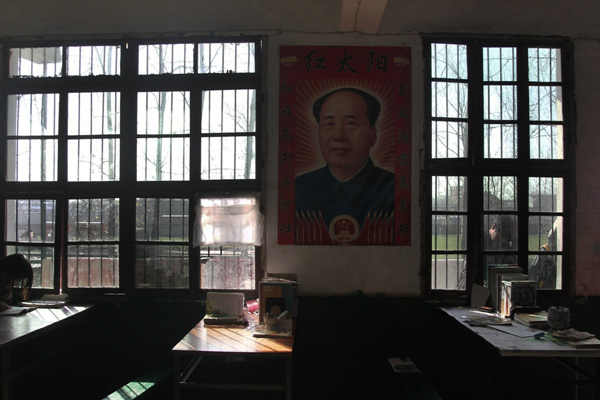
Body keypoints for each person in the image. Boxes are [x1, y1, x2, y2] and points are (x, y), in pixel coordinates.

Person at [294, 88, 395, 243]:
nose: (339, 136)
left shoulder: (393, 188)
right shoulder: (298, 189)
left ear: (372, 135)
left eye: (350, 123)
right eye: (329, 124)